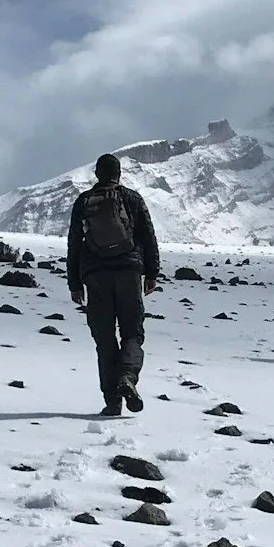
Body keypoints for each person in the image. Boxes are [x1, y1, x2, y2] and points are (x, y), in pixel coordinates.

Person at [65, 152, 161, 416]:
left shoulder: (84, 201)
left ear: (96, 174)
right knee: (132, 332)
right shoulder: (132, 198)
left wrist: (74, 282)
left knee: (105, 339)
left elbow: (74, 243)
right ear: (119, 174)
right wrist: (152, 273)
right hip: (129, 272)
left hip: (95, 276)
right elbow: (148, 236)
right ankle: (127, 378)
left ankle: (112, 402)